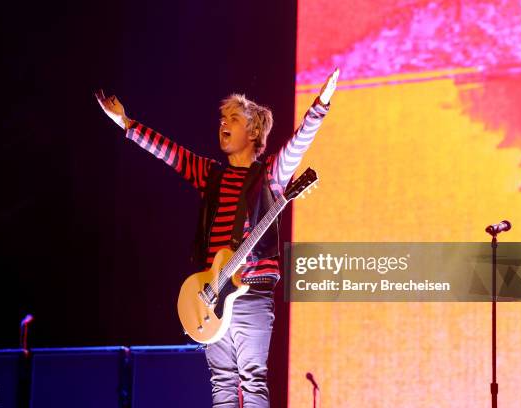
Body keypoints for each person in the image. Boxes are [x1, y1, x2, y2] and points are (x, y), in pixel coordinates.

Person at [95, 68, 339, 408]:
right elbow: (171, 153)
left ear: (253, 131)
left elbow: (297, 144)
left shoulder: (270, 175)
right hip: (211, 294)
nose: (223, 123)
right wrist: (126, 123)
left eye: (234, 118)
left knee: (252, 379)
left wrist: (321, 105)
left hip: (252, 294)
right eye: (222, 118)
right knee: (222, 382)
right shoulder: (210, 174)